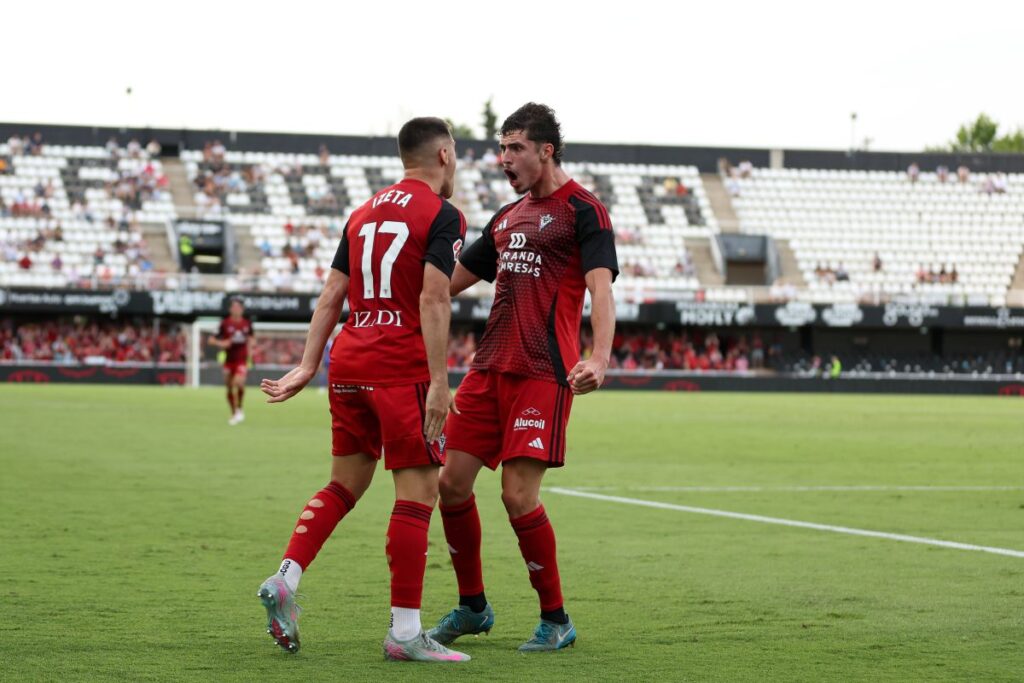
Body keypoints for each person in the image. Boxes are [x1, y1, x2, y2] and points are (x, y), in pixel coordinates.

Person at [256, 117, 470, 663]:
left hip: (348, 361)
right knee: (417, 493)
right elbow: (434, 298)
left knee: (343, 484)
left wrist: (308, 365)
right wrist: (440, 382)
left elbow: (332, 294)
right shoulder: (442, 214)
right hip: (400, 365)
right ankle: (405, 632)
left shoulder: (362, 212)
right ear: (444, 155)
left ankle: (286, 577)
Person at [426, 103, 618, 652]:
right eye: (501, 148)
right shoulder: (507, 218)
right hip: (488, 370)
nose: (504, 158)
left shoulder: (584, 210)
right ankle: (473, 607)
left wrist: (599, 358)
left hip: (542, 372)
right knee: (450, 485)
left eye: (515, 148)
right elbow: (446, 285)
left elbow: (601, 290)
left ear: (545, 150)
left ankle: (556, 619)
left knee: (517, 495)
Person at [208, 297, 254, 425]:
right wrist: (222, 343)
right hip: (228, 360)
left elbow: (252, 338)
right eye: (234, 307)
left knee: (238, 383)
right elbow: (211, 340)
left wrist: (251, 347)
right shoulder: (224, 323)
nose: (236, 309)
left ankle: (239, 407)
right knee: (229, 387)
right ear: (230, 309)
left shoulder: (247, 323)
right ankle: (234, 413)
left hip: (241, 360)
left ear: (242, 309)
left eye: (238, 307)